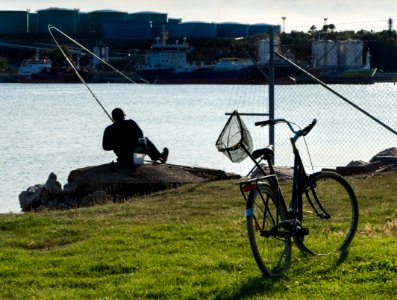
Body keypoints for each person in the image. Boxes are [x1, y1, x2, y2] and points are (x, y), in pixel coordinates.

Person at [103, 108, 169, 165]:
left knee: (141, 142)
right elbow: (141, 135)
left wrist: (117, 145)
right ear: (123, 116)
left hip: (123, 158)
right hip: (137, 158)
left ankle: (129, 161)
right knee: (145, 139)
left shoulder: (108, 129)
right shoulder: (130, 123)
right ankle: (159, 157)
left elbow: (105, 147)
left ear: (113, 118)